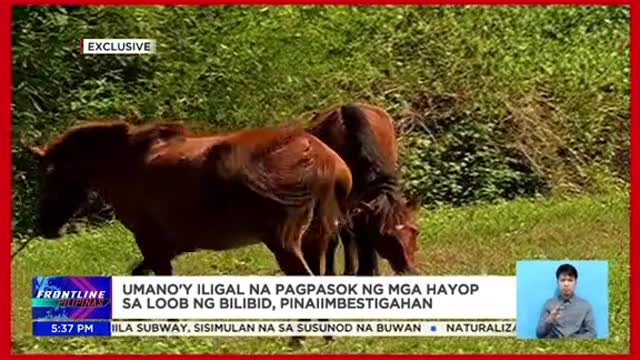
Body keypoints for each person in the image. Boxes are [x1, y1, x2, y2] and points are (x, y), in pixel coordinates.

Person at [535, 263, 596, 339]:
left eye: (570, 280)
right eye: (562, 280)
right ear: (557, 282)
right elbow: (539, 334)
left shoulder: (585, 305)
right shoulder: (549, 304)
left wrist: (572, 339)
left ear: (575, 283)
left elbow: (592, 333)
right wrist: (549, 320)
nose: (566, 284)